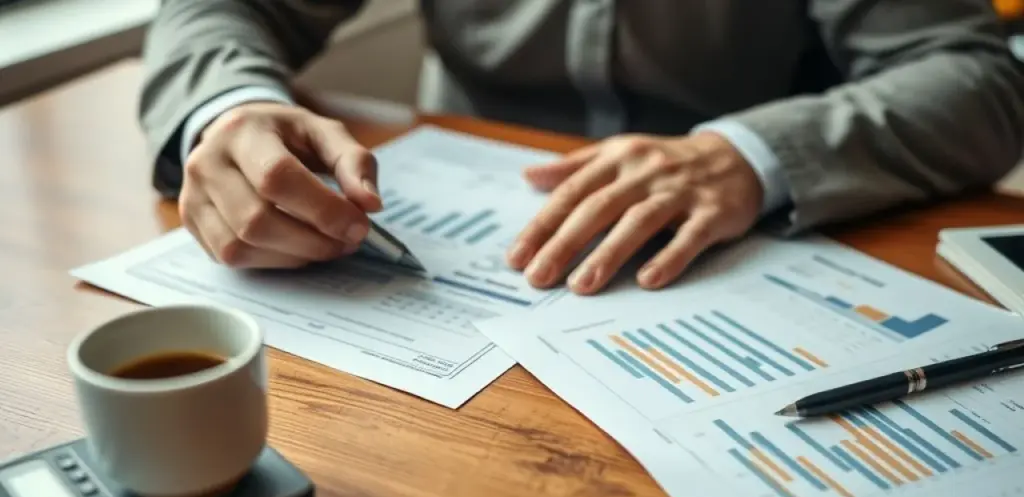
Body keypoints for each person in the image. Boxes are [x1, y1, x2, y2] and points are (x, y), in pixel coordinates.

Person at [139, 1, 1024, 295]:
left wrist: (747, 154)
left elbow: (979, 79)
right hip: (457, 268)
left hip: (758, 250)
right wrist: (230, 110)